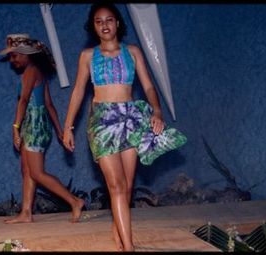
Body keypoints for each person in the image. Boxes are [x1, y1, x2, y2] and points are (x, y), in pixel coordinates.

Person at [62, 3, 187, 251]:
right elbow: (78, 91)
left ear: (117, 23)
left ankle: (119, 235)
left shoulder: (133, 52)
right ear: (93, 26)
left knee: (127, 186)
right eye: (99, 21)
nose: (105, 25)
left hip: (131, 120)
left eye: (109, 20)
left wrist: (157, 110)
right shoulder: (87, 56)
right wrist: (68, 126)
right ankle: (129, 247)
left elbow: (149, 86)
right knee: (116, 185)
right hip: (102, 122)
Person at [0, 34, 84, 224]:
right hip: (35, 124)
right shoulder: (36, 72)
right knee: (27, 170)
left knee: (36, 172)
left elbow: (24, 100)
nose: (12, 60)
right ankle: (26, 212)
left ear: (25, 54)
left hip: (35, 125)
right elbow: (49, 105)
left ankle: (74, 201)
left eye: (14, 55)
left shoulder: (31, 72)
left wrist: (15, 127)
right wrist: (60, 131)